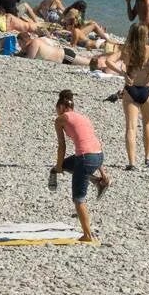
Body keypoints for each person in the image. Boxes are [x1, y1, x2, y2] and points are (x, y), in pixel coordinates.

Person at [50, 89, 108, 242]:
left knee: (78, 198)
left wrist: (58, 166)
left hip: (84, 158)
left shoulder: (61, 119)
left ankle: (87, 235)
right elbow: (93, 142)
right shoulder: (84, 117)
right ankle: (98, 181)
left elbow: (62, 146)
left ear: (61, 107)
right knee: (69, 165)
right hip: (98, 155)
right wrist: (103, 173)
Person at [120, 24, 149, 169]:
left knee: (131, 127)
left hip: (131, 89)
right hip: (147, 89)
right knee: (148, 123)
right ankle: (148, 158)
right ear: (145, 36)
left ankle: (132, 163)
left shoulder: (126, 50)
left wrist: (123, 74)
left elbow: (109, 61)